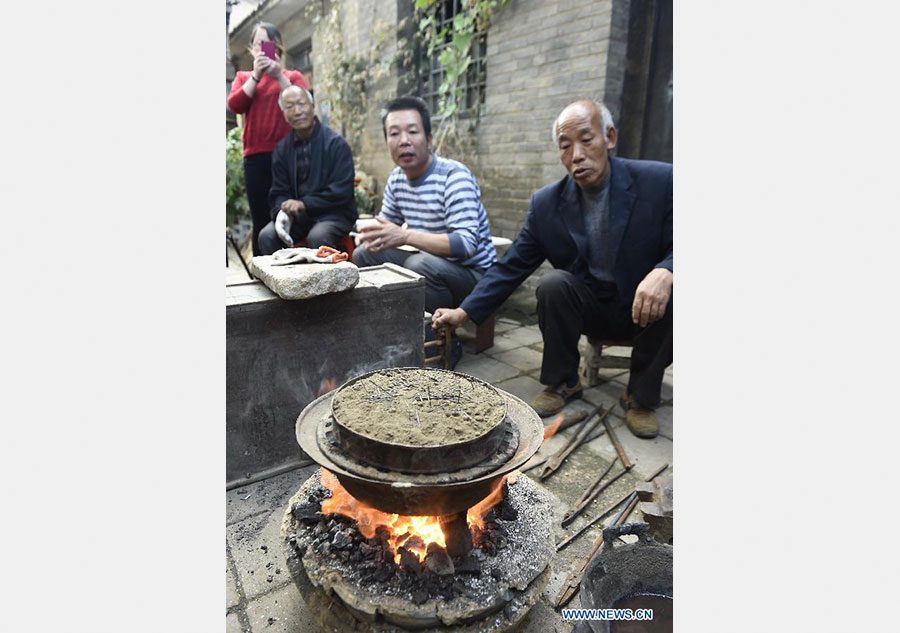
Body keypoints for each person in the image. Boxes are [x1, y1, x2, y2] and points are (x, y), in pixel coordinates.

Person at [433, 100, 672, 439]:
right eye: (565, 145)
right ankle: (564, 382)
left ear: (610, 137)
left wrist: (667, 269)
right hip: (590, 307)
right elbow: (511, 266)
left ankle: (641, 396)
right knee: (554, 283)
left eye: (586, 140)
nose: (576, 154)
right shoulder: (547, 204)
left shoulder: (659, 182)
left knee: (674, 289)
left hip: (646, 308)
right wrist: (464, 310)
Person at [354, 96, 497, 367]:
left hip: (476, 277)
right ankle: (391, 332)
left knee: (418, 264)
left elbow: (465, 244)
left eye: (412, 131)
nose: (403, 140)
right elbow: (387, 225)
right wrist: (370, 234)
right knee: (365, 256)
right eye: (394, 133)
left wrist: (405, 235)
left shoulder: (454, 176)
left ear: (429, 138)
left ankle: (445, 342)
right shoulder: (397, 178)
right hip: (436, 266)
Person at [227, 22, 309, 256]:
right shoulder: (244, 77)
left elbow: (303, 102)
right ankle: (261, 272)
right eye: (257, 45)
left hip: (288, 155)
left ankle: (289, 264)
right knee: (260, 217)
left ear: (278, 47)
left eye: (267, 44)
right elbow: (235, 105)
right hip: (255, 156)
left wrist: (278, 76)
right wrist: (256, 76)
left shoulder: (291, 76)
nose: (262, 50)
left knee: (287, 215)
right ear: (251, 50)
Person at [257, 86, 357, 255]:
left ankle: (323, 282)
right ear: (284, 114)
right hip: (299, 218)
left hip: (334, 213)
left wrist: (304, 204)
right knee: (267, 236)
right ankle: (285, 281)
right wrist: (282, 211)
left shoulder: (335, 144)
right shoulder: (282, 149)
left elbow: (341, 192)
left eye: (302, 104)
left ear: (312, 106)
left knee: (318, 237)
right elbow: (278, 191)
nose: (297, 111)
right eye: (290, 107)